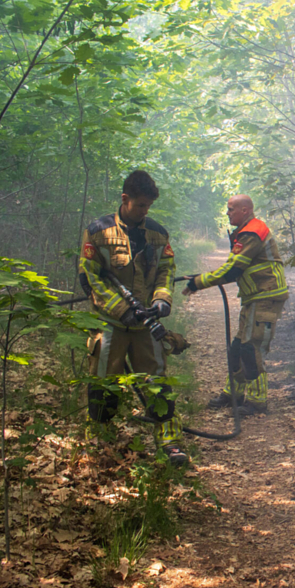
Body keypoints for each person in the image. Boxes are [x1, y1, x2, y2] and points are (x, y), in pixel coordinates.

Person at [78, 170, 188, 466]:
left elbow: (167, 270)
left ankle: (170, 443)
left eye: (148, 206)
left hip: (146, 325)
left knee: (157, 381)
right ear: (125, 199)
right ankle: (100, 444)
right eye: (140, 205)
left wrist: (162, 300)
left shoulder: (157, 233)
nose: (144, 211)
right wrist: (121, 309)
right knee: (103, 383)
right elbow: (91, 279)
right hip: (110, 323)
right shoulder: (98, 231)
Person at [183, 195, 288, 416]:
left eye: (231, 209)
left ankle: (258, 402)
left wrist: (199, 282)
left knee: (251, 348)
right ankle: (234, 394)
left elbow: (233, 270)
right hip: (255, 297)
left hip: (266, 296)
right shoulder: (245, 230)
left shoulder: (252, 232)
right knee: (238, 347)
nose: (228, 213)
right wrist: (202, 279)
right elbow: (232, 267)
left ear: (245, 210)